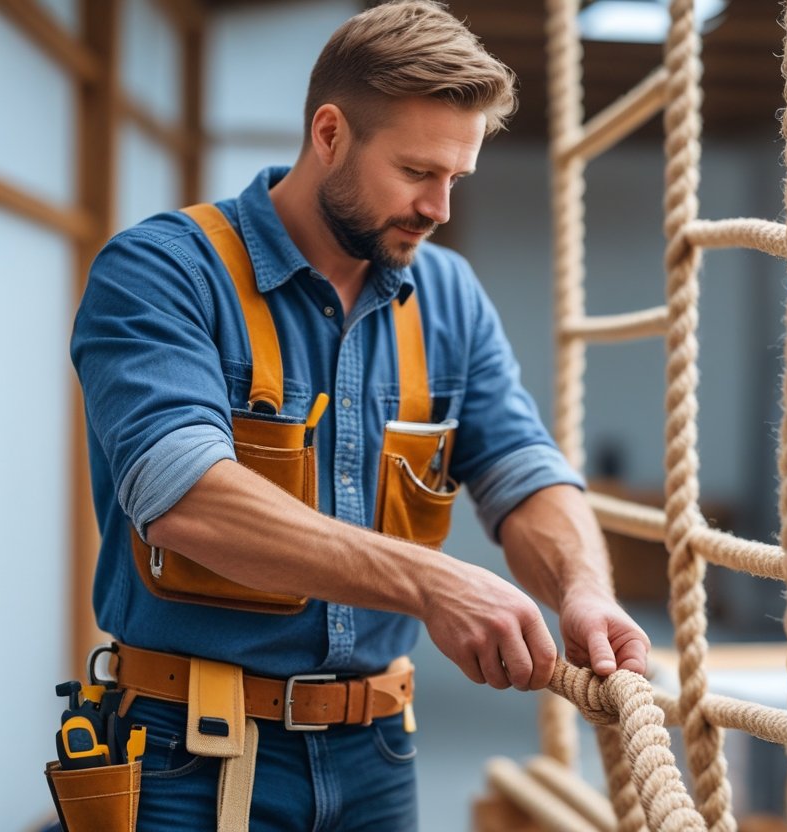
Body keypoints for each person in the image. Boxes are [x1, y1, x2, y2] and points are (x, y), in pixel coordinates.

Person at [69, 1, 649, 829]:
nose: (439, 208)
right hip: (186, 755)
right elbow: (185, 498)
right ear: (330, 134)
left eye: (456, 179)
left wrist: (583, 589)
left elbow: (522, 472)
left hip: (378, 755)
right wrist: (432, 582)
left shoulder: (450, 296)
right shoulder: (162, 271)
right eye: (417, 171)